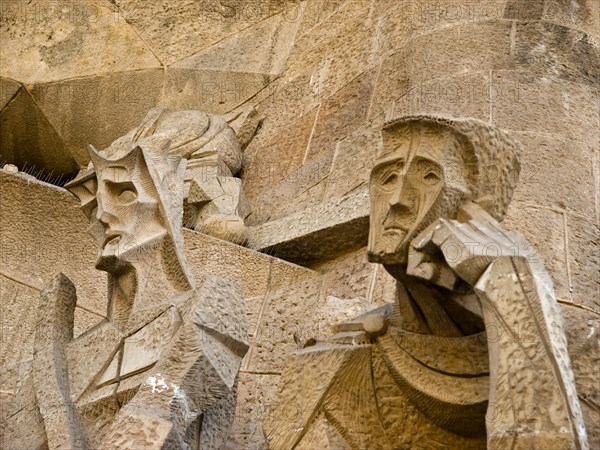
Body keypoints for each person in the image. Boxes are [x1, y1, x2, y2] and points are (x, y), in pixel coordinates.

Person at [264, 115, 588, 450]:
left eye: (430, 176)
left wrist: (514, 286)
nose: (397, 200)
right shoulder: (337, 363)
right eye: (387, 178)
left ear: (475, 216)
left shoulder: (580, 352)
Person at [4, 129, 248, 449]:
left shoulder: (210, 306)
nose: (104, 215)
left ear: (163, 205)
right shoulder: (68, 356)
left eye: (124, 195)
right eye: (96, 205)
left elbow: (161, 407)